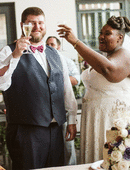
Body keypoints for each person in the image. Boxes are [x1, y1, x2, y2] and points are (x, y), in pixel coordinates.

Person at [57, 16, 130, 164]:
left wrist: (76, 43)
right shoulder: (106, 57)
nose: (101, 36)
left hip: (116, 124)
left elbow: (110, 71)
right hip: (98, 122)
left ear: (120, 37)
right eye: (101, 33)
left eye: (107, 33)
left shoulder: (126, 55)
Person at [0, 7, 77, 170]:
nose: (37, 27)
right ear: (22, 25)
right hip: (25, 130)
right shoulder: (8, 51)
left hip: (56, 128)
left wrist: (71, 119)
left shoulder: (55, 54)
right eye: (32, 23)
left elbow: (65, 88)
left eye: (40, 22)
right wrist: (15, 55)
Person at [46, 36, 80, 165]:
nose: (50, 46)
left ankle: (71, 166)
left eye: (52, 44)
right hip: (49, 109)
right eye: (48, 44)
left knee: (68, 144)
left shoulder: (66, 61)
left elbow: (77, 79)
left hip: (63, 105)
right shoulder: (43, 60)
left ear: (58, 46)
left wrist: (58, 79)